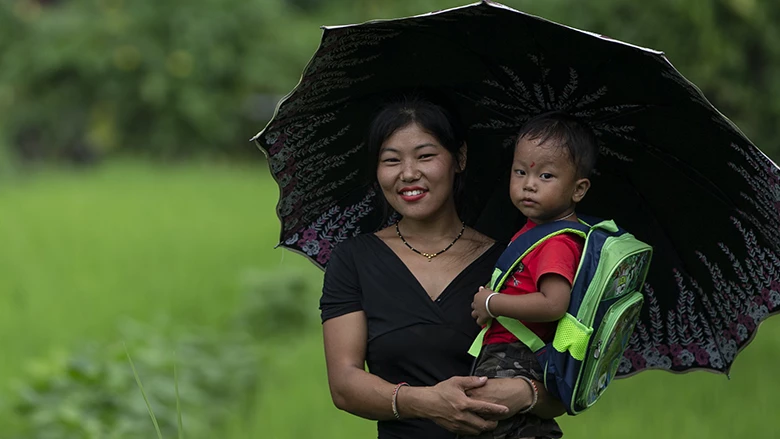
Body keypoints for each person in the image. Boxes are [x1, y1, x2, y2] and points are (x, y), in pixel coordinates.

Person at [319, 96, 566, 439]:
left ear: (459, 158)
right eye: (391, 160)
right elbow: (343, 384)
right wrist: (425, 402)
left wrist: (525, 394)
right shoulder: (353, 260)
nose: (408, 174)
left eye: (425, 156)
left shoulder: (512, 260)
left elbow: (562, 386)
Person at [468, 112, 600, 439]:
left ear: (579, 189)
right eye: (520, 171)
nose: (529, 184)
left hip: (516, 355)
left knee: (490, 425)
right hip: (514, 352)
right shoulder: (536, 231)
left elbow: (554, 304)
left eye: (546, 175)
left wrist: (493, 302)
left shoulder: (556, 242)